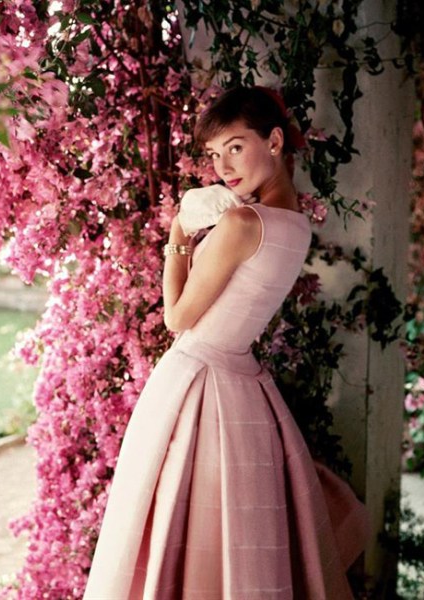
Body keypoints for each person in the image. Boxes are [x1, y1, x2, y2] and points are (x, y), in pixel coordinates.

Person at [83, 86, 369, 600]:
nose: (223, 166)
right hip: (242, 384)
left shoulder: (241, 222)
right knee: (233, 535)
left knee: (177, 530)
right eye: (215, 154)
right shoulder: (297, 224)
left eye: (235, 146)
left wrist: (177, 230)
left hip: (197, 379)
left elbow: (176, 318)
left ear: (275, 140)